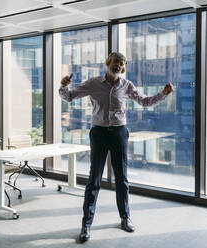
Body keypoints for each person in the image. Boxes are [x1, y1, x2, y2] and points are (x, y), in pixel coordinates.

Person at [59, 52, 174, 243]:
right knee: (93, 179)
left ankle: (125, 218)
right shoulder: (93, 83)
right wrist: (63, 86)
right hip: (99, 133)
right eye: (115, 62)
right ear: (108, 63)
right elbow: (69, 97)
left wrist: (163, 94)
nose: (118, 66)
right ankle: (86, 225)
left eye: (121, 64)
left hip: (120, 133)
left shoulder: (127, 85)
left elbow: (144, 102)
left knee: (122, 179)